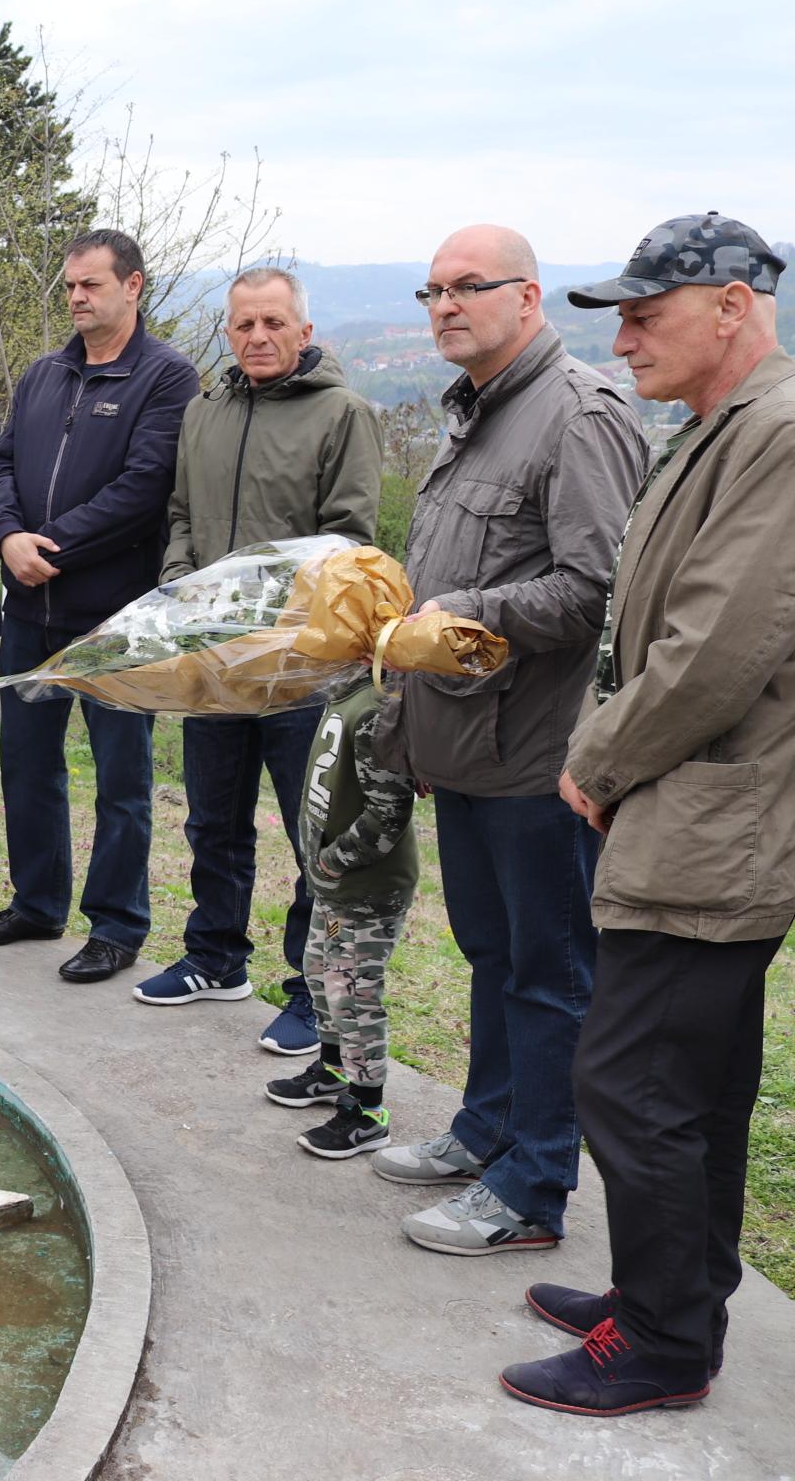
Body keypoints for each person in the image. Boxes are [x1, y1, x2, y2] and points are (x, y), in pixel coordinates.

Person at [499, 215, 791, 1417]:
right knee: (693, 1082)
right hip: (702, 805)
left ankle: (665, 1343)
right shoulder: (720, 428)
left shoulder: (775, 435)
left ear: (732, 305)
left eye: (644, 314)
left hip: (715, 816)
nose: (621, 338)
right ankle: (673, 1289)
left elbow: (717, 644)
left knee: (631, 1084)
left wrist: (600, 758)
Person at [374, 225, 645, 1260]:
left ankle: (533, 1186)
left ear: (527, 299)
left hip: (540, 759)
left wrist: (462, 608)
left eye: (468, 287)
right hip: (466, 747)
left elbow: (599, 592)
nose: (445, 305)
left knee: (548, 972)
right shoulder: (477, 409)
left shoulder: (577, 414)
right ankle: (485, 1128)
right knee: (492, 955)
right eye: (431, 289)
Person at [142, 267, 381, 1053]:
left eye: (274, 323)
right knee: (213, 818)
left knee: (314, 831)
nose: (258, 337)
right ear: (228, 331)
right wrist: (181, 587)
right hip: (215, 661)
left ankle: (314, 992)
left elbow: (349, 539)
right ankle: (214, 955)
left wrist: (276, 622)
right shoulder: (205, 411)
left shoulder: (341, 414)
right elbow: (181, 515)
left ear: (303, 332)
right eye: (244, 324)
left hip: (301, 666)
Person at [0, 229, 200, 976]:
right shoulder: (44, 374)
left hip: (116, 615)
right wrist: (8, 537)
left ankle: (117, 925)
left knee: (121, 779)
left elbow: (143, 489)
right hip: (28, 612)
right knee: (25, 764)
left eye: (92, 285)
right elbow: (0, 466)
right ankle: (38, 906)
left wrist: (50, 547)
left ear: (133, 287)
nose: (77, 297)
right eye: (70, 285)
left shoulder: (166, 378)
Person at [264, 678, 416, 1159]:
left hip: (365, 889)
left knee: (352, 992)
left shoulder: (375, 709)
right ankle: (332, 1071)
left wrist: (332, 860)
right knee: (318, 971)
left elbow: (387, 814)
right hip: (332, 885)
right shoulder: (342, 694)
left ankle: (368, 1112)